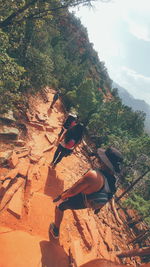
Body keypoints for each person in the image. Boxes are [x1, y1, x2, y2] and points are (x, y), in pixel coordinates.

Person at [49, 146, 123, 239]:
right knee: (64, 205)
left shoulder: (94, 175)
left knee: (60, 206)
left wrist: (62, 196)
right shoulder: (112, 180)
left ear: (104, 161)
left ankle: (55, 231)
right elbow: (109, 194)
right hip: (87, 203)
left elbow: (73, 191)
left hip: (77, 198)